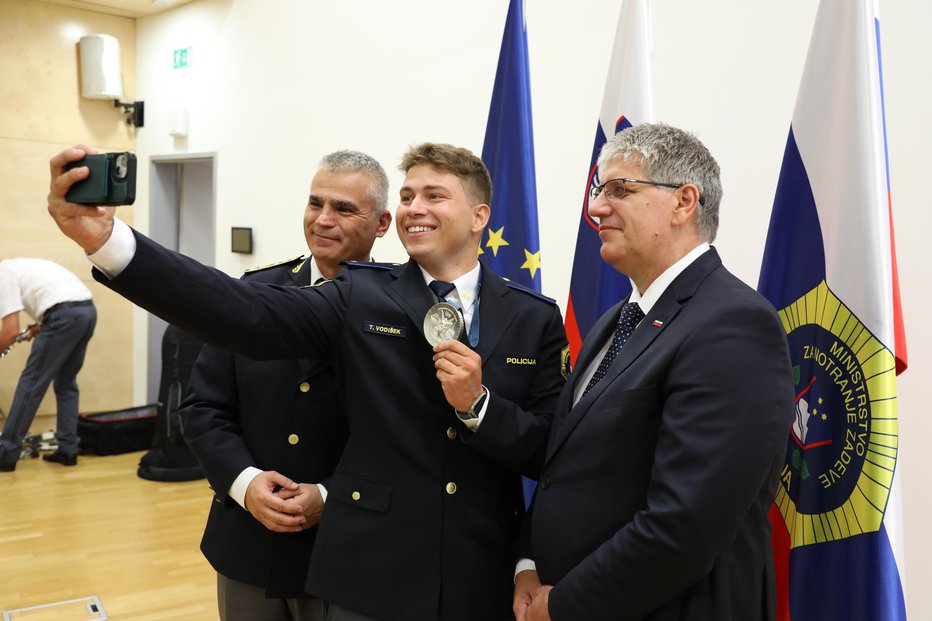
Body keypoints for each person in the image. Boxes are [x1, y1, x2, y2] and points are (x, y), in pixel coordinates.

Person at [47, 142, 569, 621]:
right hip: (372, 575)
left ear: (479, 216)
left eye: (434, 195)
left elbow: (546, 452)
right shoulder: (362, 295)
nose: (415, 207)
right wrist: (110, 242)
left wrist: (477, 405)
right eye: (408, 194)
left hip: (479, 573)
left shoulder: (533, 318)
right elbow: (242, 311)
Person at [513, 124, 795, 621]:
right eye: (597, 191)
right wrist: (529, 564)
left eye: (619, 190)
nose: (596, 208)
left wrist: (565, 606)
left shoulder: (733, 323)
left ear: (684, 202)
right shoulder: (615, 322)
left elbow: (686, 525)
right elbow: (566, 468)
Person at [181, 150, 392, 621]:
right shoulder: (255, 294)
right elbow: (203, 407)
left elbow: (407, 440)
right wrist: (245, 482)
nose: (323, 220)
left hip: (350, 551)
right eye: (315, 203)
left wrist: (331, 495)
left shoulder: (401, 312)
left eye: (343, 208)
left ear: (382, 224)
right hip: (248, 545)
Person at [0, 258, 97, 471]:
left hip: (62, 315)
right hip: (87, 312)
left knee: (31, 384)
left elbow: (10, 330)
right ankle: (68, 450)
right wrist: (44, 324)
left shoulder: (2, 274)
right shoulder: (18, 266)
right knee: (66, 382)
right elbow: (56, 298)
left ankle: (5, 454)